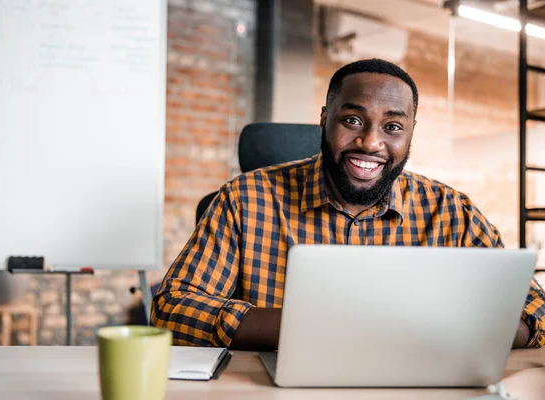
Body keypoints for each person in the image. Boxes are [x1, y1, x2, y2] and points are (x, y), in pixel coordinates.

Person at [151, 59, 545, 350]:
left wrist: (441, 329)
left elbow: (537, 311)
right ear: (325, 119)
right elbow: (171, 309)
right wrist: (323, 328)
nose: (371, 143)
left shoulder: (451, 212)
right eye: (353, 120)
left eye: (393, 127)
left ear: (409, 134)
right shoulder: (245, 199)